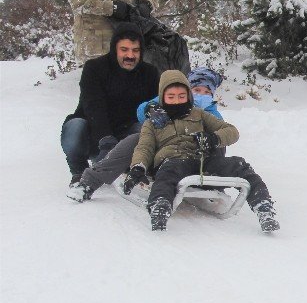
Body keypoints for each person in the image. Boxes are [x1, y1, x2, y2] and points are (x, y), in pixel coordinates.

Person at [125, 70, 278, 232]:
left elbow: (231, 131)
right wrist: (138, 167)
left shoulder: (198, 114)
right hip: (173, 160)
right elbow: (145, 147)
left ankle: (263, 206)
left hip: (202, 160)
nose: (177, 101)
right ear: (163, 97)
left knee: (239, 165)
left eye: (181, 96)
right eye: (171, 97)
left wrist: (213, 138)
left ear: (188, 96)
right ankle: (160, 206)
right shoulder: (152, 122)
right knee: (166, 175)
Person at [66, 68, 224, 202]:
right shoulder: (168, 99)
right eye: (197, 90)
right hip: (161, 155)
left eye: (207, 92)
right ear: (188, 90)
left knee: (219, 144)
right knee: (136, 140)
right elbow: (142, 110)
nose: (202, 95)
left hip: (192, 158)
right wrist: (150, 110)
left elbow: (224, 131)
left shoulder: (211, 114)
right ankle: (89, 182)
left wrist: (211, 138)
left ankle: (212, 183)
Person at [61, 22, 159, 186]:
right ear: (115, 49)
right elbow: (93, 106)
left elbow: (153, 108)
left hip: (127, 135)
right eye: (124, 50)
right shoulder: (94, 68)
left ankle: (133, 168)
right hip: (94, 131)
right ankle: (79, 172)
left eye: (135, 50)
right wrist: (105, 139)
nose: (130, 56)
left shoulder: (150, 73)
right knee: (74, 127)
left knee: (145, 130)